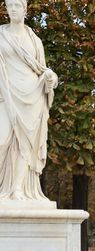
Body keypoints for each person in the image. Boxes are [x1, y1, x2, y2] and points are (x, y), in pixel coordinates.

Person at [0, 0, 58, 200]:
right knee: (2, 140)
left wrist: (51, 78)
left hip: (32, 95)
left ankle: (17, 189)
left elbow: (43, 69)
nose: (13, 9)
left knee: (26, 145)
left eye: (17, 6)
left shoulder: (34, 40)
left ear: (25, 9)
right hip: (6, 94)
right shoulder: (1, 35)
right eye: (10, 6)